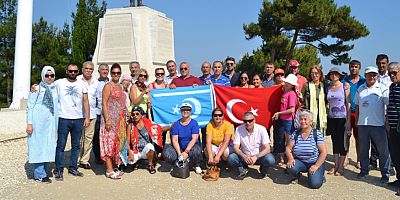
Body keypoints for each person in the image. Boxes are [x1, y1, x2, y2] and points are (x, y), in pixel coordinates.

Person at [54, 64, 90, 181]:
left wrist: (87, 117)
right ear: (66, 71)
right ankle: (59, 169)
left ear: (78, 72)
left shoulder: (82, 83)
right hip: (63, 118)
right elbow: (47, 85)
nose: (73, 73)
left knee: (76, 146)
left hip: (78, 118)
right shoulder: (59, 82)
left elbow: (85, 101)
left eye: (75, 71)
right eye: (70, 71)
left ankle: (73, 167)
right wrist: (36, 87)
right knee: (61, 145)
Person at [355, 66, 391, 183]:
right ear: (365, 76)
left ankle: (385, 174)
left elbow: (388, 106)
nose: (372, 77)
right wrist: (357, 120)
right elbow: (357, 106)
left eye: (374, 75)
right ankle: (364, 171)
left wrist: (387, 121)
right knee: (363, 150)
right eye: (369, 75)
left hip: (378, 124)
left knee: (383, 151)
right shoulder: (360, 88)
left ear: (377, 76)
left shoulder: (383, 88)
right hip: (363, 124)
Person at [26, 66, 59, 183]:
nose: (49, 78)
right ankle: (39, 174)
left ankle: (44, 171)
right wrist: (29, 124)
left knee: (48, 146)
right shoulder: (37, 88)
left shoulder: (56, 88)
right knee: (38, 146)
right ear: (43, 76)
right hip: (38, 124)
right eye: (47, 75)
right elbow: (30, 107)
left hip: (50, 124)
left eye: (52, 75)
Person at [100, 63, 129, 179]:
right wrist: (107, 119)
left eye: (118, 73)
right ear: (111, 74)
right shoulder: (108, 86)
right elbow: (104, 103)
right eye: (114, 73)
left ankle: (113, 167)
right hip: (109, 120)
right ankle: (109, 170)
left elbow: (122, 102)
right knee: (107, 144)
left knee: (116, 144)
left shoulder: (121, 87)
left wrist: (126, 111)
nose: (116, 75)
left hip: (119, 121)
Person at [286, 110, 327, 189]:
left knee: (315, 185)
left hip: (314, 162)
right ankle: (297, 176)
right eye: (301, 119)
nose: (303, 121)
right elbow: (288, 148)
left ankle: (319, 174)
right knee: (291, 168)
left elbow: (323, 152)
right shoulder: (296, 133)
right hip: (300, 161)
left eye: (305, 119)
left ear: (311, 122)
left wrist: (316, 166)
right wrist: (290, 158)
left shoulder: (317, 134)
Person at [228, 112, 275, 180]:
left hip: (259, 157)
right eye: (245, 121)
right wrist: (244, 156)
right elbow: (235, 147)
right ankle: (243, 169)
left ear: (254, 120)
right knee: (231, 158)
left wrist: (256, 157)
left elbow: (267, 149)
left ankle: (263, 171)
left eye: (250, 121)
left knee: (270, 159)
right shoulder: (238, 129)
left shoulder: (262, 129)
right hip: (245, 157)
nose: (248, 123)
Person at [163, 103, 203, 174]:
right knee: (167, 153)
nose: (185, 111)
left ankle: (196, 164)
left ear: (190, 111)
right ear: (181, 111)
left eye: (187, 109)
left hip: (190, 147)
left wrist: (186, 152)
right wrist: (179, 154)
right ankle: (176, 163)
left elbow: (194, 138)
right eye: (183, 110)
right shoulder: (176, 124)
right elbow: (175, 140)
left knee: (197, 150)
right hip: (179, 147)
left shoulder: (194, 123)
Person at [326, 67, 350, 176]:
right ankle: (335, 165)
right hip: (331, 118)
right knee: (334, 141)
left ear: (340, 75)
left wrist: (348, 120)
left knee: (342, 142)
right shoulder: (329, 87)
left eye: (336, 74)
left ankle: (341, 166)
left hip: (342, 117)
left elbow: (348, 104)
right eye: (332, 74)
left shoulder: (345, 87)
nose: (334, 76)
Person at [342, 60, 365, 169]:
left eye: (356, 66)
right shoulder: (344, 81)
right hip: (346, 111)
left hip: (358, 112)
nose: (353, 68)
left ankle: (359, 160)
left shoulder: (363, 81)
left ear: (359, 68)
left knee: (358, 137)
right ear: (349, 68)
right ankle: (345, 157)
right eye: (352, 66)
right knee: (346, 135)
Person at [127, 106, 163, 174]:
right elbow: (127, 142)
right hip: (136, 150)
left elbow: (160, 129)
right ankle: (137, 163)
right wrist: (129, 152)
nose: (135, 116)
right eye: (133, 114)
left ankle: (150, 165)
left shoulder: (149, 124)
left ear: (141, 115)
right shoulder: (130, 126)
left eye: (137, 114)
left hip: (145, 150)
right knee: (128, 165)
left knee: (150, 146)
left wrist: (171, 126)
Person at [272, 74, 297, 166]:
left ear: (292, 85)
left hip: (288, 120)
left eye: (289, 83)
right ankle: (282, 158)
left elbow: (292, 110)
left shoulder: (291, 94)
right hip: (283, 119)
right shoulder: (285, 92)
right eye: (286, 82)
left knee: (289, 141)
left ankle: (290, 158)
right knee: (281, 139)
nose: (286, 84)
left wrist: (279, 113)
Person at [78, 61, 99, 170]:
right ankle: (76, 159)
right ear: (82, 69)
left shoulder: (96, 82)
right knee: (77, 138)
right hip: (78, 114)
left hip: (92, 114)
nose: (88, 70)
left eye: (90, 69)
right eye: (86, 68)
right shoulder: (77, 80)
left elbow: (98, 98)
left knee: (88, 138)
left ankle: (84, 160)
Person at [301, 65, 327, 132]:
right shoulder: (306, 85)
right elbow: (301, 99)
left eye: (316, 73)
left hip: (321, 116)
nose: (314, 75)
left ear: (320, 74)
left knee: (320, 137)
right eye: (312, 73)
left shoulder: (324, 85)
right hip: (308, 115)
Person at [386, 62, 400, 187]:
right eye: (390, 73)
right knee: (395, 153)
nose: (392, 75)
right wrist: (388, 121)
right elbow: (390, 104)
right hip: (393, 125)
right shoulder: (392, 87)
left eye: (394, 73)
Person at [93, 63, 109, 164]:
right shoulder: (95, 83)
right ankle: (98, 157)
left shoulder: (111, 83)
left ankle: (106, 155)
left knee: (107, 136)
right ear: (99, 71)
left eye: (106, 70)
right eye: (102, 69)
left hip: (108, 113)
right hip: (98, 113)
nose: (105, 71)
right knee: (96, 136)